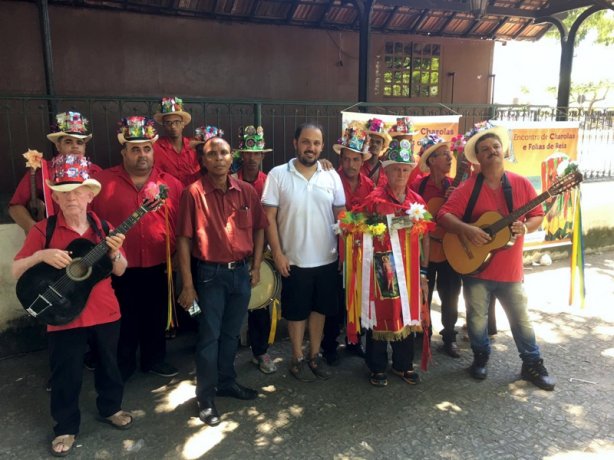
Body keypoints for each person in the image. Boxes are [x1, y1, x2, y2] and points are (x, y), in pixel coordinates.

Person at [12, 155, 132, 457]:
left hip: (105, 312)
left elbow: (121, 270)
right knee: (66, 373)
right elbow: (15, 270)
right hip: (63, 315)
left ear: (90, 195)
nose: (71, 198)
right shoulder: (44, 230)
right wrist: (41, 256)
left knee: (109, 365)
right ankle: (65, 426)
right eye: (63, 192)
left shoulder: (103, 228)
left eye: (78, 191)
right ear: (54, 196)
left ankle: (111, 408)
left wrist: (116, 255)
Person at [438, 122, 555, 391]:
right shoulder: (469, 187)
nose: (492, 151)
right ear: (477, 158)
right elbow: (443, 214)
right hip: (476, 268)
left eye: (496, 146)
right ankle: (480, 357)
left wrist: (525, 227)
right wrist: (467, 230)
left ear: (503, 151)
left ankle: (533, 363)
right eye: (485, 149)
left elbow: (538, 215)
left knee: (521, 319)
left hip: (510, 270)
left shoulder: (520, 183)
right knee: (477, 319)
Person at [176, 131, 267, 427]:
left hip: (240, 273)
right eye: (212, 154)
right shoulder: (193, 193)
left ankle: (227, 381)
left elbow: (259, 229)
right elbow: (185, 240)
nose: (219, 158)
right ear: (203, 159)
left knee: (231, 335)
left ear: (232, 158)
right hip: (209, 275)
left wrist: (255, 268)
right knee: (209, 337)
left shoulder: (246, 191)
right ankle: (205, 396)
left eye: (224, 153)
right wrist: (187, 284)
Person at [91, 116, 183, 381]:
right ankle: (123, 363)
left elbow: (182, 225)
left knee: (155, 315)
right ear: (124, 152)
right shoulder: (101, 182)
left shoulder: (172, 185)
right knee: (122, 317)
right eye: (135, 149)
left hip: (160, 262)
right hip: (118, 265)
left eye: (147, 148)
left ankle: (155, 359)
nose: (142, 154)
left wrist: (178, 255)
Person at [262, 122, 345, 382]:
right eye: (306, 142)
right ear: (295, 143)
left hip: (327, 258)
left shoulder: (331, 175)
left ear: (322, 146)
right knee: (296, 312)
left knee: (319, 310)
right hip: (294, 259)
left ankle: (314, 355)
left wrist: (343, 253)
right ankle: (297, 356)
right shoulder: (277, 174)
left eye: (317, 143)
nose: (311, 148)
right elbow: (269, 218)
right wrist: (277, 253)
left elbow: (341, 216)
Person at [352, 132, 430, 387]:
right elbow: (355, 223)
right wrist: (383, 225)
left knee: (408, 315)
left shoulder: (416, 202)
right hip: (382, 268)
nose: (401, 174)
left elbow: (426, 235)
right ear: (387, 171)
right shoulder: (374, 200)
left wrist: (424, 272)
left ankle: (403, 364)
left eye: (405, 170)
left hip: (409, 269)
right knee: (381, 313)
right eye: (396, 169)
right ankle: (376, 365)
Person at [321, 126, 374, 365]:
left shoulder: (370, 187)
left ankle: (354, 342)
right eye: (347, 158)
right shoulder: (329, 178)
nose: (351, 164)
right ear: (340, 158)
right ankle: (329, 345)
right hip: (333, 250)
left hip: (361, 252)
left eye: (356, 159)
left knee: (359, 297)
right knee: (334, 300)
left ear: (363, 161)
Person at [231, 125, 277, 374]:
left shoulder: (270, 182)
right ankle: (227, 354)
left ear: (262, 156)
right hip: (234, 252)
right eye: (248, 153)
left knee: (261, 303)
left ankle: (261, 352)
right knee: (232, 305)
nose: (251, 158)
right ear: (241, 155)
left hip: (262, 251)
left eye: (256, 153)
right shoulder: (230, 180)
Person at [411, 134, 462, 358]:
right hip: (426, 253)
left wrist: (455, 198)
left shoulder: (457, 186)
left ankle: (449, 337)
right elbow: (410, 215)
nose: (450, 159)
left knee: (451, 296)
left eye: (450, 155)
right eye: (444, 155)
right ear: (431, 160)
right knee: (423, 295)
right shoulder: (418, 186)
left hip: (451, 251)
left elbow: (465, 218)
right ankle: (423, 336)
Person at [9, 111, 102, 233]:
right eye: (68, 142)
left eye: (80, 142)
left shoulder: (96, 172)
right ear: (58, 146)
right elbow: (15, 207)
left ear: (85, 147)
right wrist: (35, 230)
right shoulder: (41, 170)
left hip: (89, 238)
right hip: (51, 238)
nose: (75, 146)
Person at [153, 96, 200, 187]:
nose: (173, 126)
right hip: (169, 196)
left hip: (193, 194)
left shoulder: (195, 145)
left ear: (183, 124)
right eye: (168, 123)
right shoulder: (156, 147)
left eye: (177, 122)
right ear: (163, 125)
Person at [361, 118, 391, 187]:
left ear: (383, 146)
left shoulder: (387, 168)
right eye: (371, 141)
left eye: (378, 142)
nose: (374, 144)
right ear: (366, 142)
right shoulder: (358, 165)